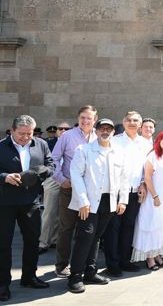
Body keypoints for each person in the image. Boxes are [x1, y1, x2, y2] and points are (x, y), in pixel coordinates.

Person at [67, 119, 128, 294]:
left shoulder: (118, 152)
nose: (105, 131)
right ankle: (75, 276)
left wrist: (122, 200)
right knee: (85, 237)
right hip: (89, 202)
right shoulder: (84, 150)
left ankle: (90, 272)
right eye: (102, 128)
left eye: (109, 129)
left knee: (96, 237)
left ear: (113, 132)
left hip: (109, 201)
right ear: (96, 130)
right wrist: (83, 201)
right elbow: (76, 175)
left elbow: (124, 177)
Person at [0, 115, 54, 301]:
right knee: (3, 245)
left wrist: (39, 174)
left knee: (32, 241)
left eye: (29, 134)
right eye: (21, 134)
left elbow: (51, 165)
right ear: (12, 130)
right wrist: (4, 177)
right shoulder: (1, 146)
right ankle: (2, 284)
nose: (25, 137)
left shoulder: (41, 144)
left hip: (30, 201)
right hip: (4, 203)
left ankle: (29, 277)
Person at [52, 105, 97, 278]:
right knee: (66, 228)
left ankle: (83, 264)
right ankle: (62, 264)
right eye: (82, 117)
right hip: (70, 189)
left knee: (87, 229)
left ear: (95, 119)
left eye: (89, 118)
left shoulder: (98, 137)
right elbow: (54, 158)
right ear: (78, 119)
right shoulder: (67, 136)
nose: (85, 121)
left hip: (91, 192)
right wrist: (61, 180)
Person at [104, 111, 150, 276]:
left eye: (135, 120)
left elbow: (147, 168)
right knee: (113, 227)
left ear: (140, 124)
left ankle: (125, 260)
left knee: (129, 226)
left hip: (135, 192)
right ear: (123, 122)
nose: (132, 123)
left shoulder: (145, 144)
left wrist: (144, 185)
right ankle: (112, 263)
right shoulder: (114, 141)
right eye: (129, 120)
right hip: (116, 192)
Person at [131, 130, 163, 271]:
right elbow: (147, 178)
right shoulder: (153, 156)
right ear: (158, 140)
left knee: (161, 226)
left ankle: (157, 253)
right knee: (151, 225)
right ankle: (150, 258)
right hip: (154, 198)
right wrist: (155, 196)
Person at [39, 121, 71, 254]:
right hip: (53, 179)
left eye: (66, 128)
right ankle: (43, 241)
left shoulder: (73, 142)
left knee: (61, 213)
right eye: (60, 128)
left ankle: (54, 239)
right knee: (49, 211)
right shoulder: (48, 143)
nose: (63, 130)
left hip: (68, 180)